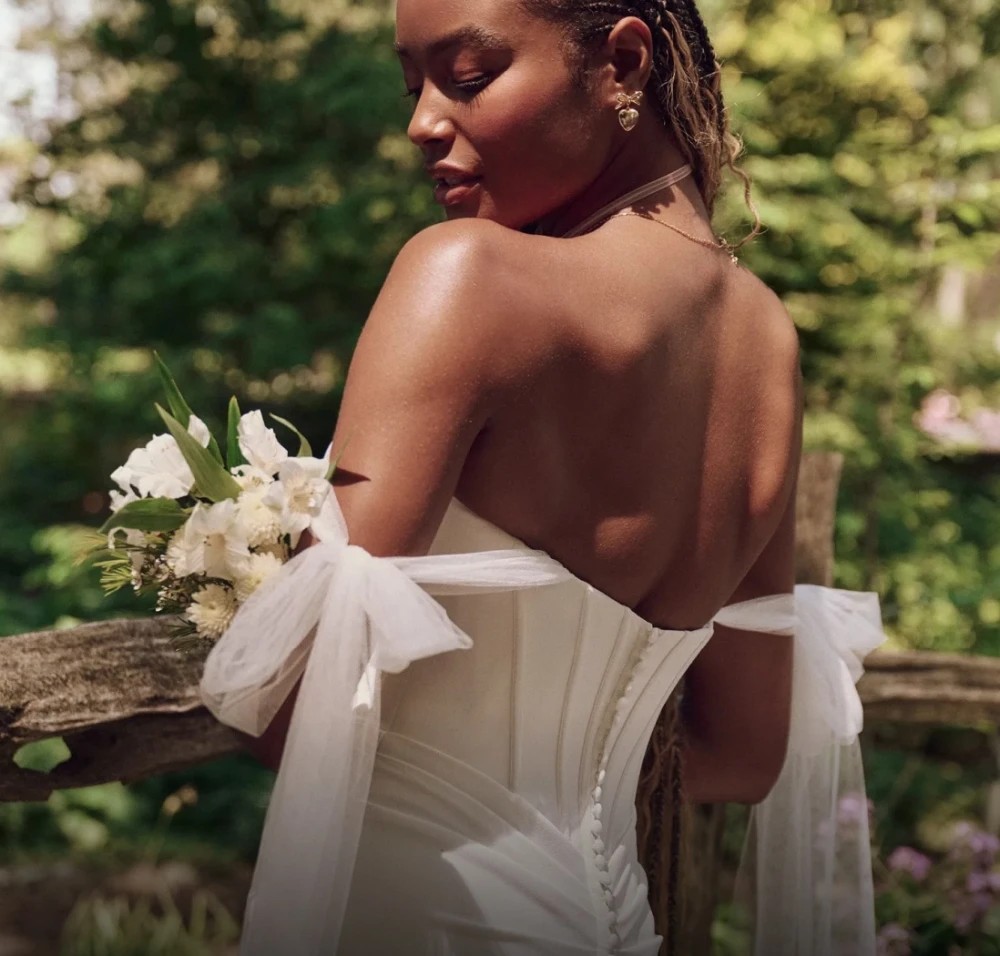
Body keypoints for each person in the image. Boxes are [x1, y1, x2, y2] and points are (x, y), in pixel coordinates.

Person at [199, 1, 884, 953]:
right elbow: (742, 752)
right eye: (414, 86)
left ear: (625, 62)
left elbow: (289, 717)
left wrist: (221, 571)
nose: (422, 122)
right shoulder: (768, 347)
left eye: (469, 77)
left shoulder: (468, 279)